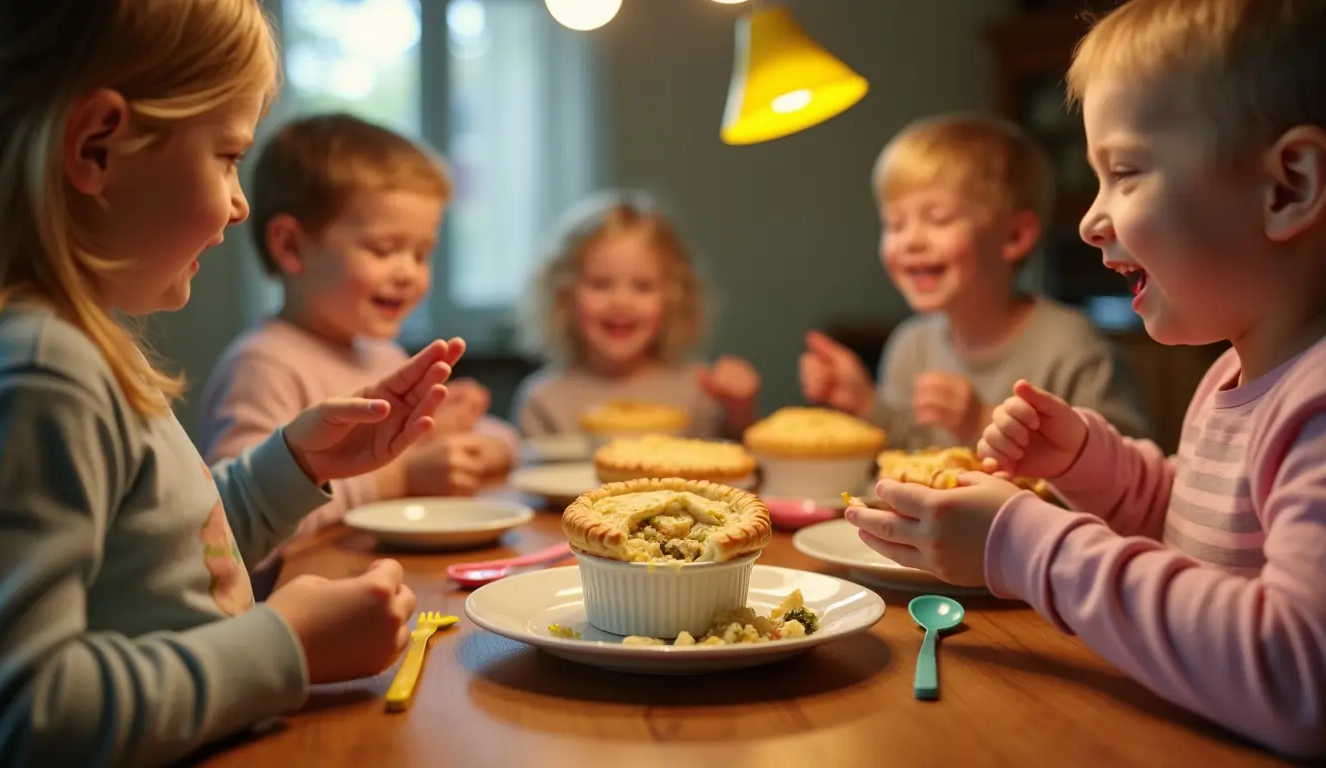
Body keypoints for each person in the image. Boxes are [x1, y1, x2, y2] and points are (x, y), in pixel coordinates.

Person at [0, 2, 462, 764]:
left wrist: (294, 466)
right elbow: (14, 717)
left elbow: (163, 551)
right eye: (225, 156)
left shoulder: (64, 349)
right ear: (97, 147)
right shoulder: (37, 375)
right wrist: (285, 645)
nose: (240, 202)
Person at [847, 0, 1326, 758]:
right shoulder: (1236, 373)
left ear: (1288, 187)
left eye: (1125, 173)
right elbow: (1199, 531)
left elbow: (1298, 677)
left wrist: (1026, 545)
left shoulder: (1317, 405)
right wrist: (1090, 466)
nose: (1090, 220)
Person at [198, 113, 516, 575]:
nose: (408, 271)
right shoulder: (264, 365)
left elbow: (505, 438)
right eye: (385, 249)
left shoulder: (381, 355)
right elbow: (229, 527)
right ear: (291, 247)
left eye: (421, 253)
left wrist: (471, 444)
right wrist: (402, 476)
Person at [800, 112, 1148, 448]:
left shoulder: (1070, 348)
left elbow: (1127, 471)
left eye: (938, 218)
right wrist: (865, 403)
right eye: (895, 224)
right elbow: (907, 455)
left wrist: (983, 423)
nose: (910, 241)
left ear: (1014, 237)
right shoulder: (910, 346)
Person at [512, 190, 761, 439]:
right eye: (600, 284)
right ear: (564, 294)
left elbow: (739, 460)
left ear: (673, 298)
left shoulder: (701, 389)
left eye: (643, 287)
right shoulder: (543, 400)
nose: (621, 302)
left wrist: (739, 409)